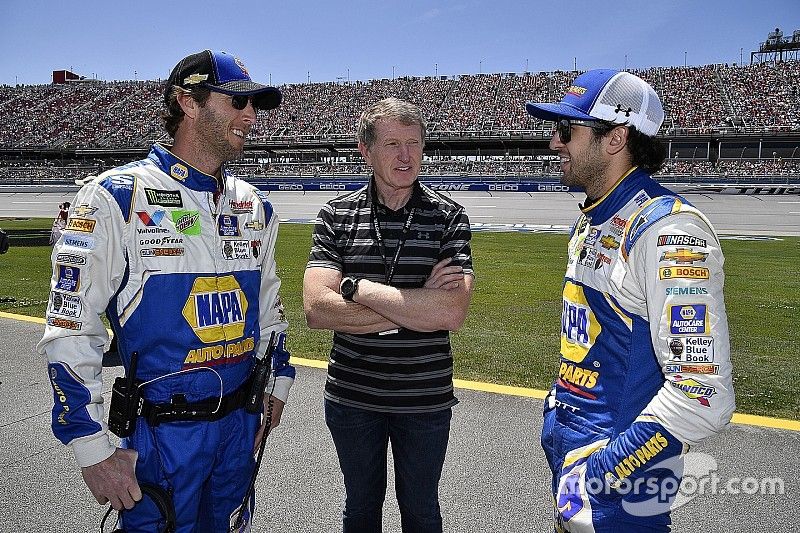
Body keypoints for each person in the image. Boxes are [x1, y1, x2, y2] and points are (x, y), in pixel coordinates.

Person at [38, 49, 295, 531]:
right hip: (159, 437)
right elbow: (71, 330)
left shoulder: (253, 205)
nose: (251, 116)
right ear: (189, 102)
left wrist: (277, 385)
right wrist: (92, 448)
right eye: (237, 102)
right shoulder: (115, 196)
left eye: (254, 104)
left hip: (239, 429)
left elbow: (269, 310)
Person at [525, 69, 735, 532]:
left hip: (616, 488)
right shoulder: (594, 216)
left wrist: (598, 474)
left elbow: (703, 397)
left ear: (616, 137)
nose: (554, 144)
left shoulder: (670, 233)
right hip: (578, 460)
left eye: (566, 131)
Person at [303, 97, 474, 533]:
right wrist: (416, 308)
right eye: (393, 144)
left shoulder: (449, 217)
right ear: (365, 149)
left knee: (421, 511)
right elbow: (316, 310)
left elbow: (452, 312)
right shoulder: (335, 215)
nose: (406, 156)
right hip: (352, 396)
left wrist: (357, 290)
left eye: (414, 144)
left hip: (425, 398)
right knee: (360, 509)